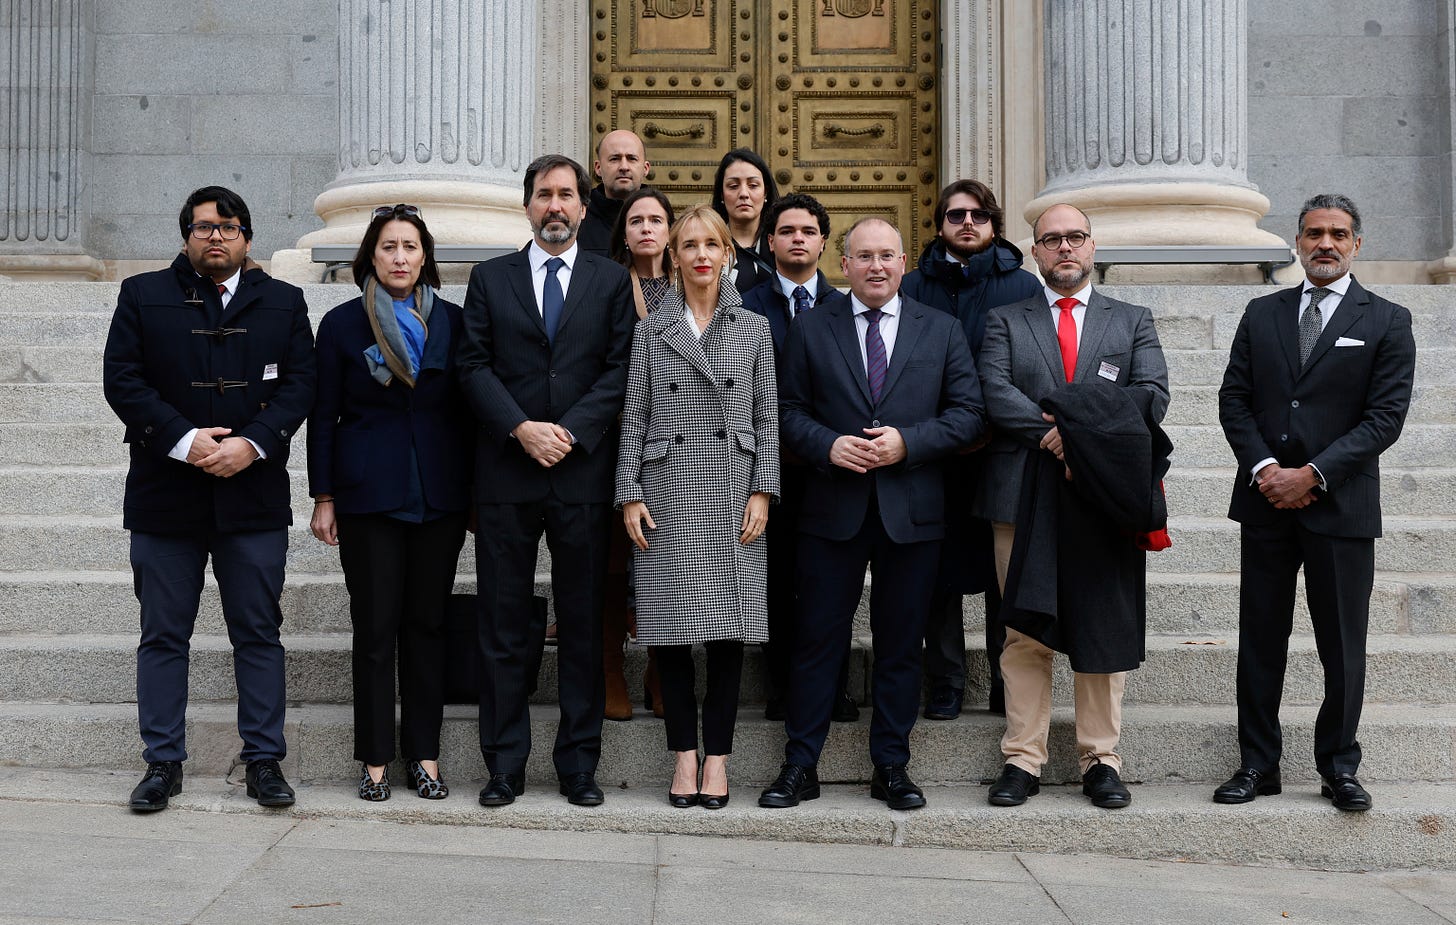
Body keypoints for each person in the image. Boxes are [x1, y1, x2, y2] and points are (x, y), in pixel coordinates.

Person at [759, 218, 984, 811]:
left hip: (911, 512)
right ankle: (800, 765)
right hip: (831, 508)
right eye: (864, 257)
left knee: (901, 644)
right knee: (817, 641)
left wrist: (909, 442)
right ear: (845, 264)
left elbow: (969, 414)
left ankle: (891, 764)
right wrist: (826, 445)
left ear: (904, 262)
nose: (876, 266)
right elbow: (785, 410)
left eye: (887, 256)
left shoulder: (941, 330)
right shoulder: (810, 329)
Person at [102, 186, 315, 812]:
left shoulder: (284, 301)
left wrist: (252, 444)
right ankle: (162, 761)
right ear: (186, 236)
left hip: (252, 497)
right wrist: (183, 439)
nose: (214, 236)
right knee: (163, 635)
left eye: (226, 227)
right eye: (202, 228)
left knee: (258, 632)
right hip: (165, 498)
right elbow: (123, 379)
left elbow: (301, 385)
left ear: (247, 236)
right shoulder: (143, 295)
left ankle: (264, 761)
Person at [1214, 194, 1416, 812]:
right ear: (1296, 242)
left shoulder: (1386, 319)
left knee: (1342, 644)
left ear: (1357, 244)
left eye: (1338, 234)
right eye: (1313, 233)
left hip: (1341, 507)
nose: (1324, 243)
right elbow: (1234, 400)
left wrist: (1315, 475)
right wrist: (1269, 469)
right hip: (1266, 501)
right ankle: (1257, 764)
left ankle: (1339, 766)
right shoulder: (1262, 312)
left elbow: (1384, 419)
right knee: (1261, 638)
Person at [975, 203, 1169, 810]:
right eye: (1051, 239)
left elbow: (1151, 395)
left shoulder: (1132, 320)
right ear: (1034, 252)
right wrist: (1054, 432)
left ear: (1093, 246)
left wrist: (1079, 432)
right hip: (1021, 493)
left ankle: (1100, 759)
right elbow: (994, 391)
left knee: (1100, 629)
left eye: (1075, 237)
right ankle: (1022, 758)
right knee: (1022, 630)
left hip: (1103, 497)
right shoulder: (1005, 320)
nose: (1065, 247)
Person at [457, 154, 636, 808]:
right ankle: (504, 764)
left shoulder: (611, 280)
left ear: (584, 209)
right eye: (544, 195)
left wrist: (570, 431)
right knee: (502, 626)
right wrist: (521, 427)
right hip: (507, 474)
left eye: (566, 195)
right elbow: (471, 365)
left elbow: (620, 368)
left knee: (585, 626)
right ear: (527, 205)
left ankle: (578, 766)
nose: (555, 205)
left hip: (583, 475)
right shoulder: (489, 278)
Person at [616, 204, 780, 810]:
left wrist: (763, 491)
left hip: (734, 492)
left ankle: (718, 759)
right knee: (669, 634)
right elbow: (632, 417)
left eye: (712, 244)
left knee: (728, 636)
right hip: (666, 491)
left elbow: (769, 418)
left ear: (728, 253)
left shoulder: (754, 329)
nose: (702, 254)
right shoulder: (651, 328)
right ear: (675, 256)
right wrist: (628, 493)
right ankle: (682, 756)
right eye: (689, 245)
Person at [307, 204, 472, 801]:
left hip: (439, 494)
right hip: (367, 495)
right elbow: (323, 416)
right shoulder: (343, 325)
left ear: (425, 255)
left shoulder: (454, 321)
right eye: (388, 247)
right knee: (374, 629)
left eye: (409, 246)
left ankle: (424, 757)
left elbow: (467, 410)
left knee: (427, 628)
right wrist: (323, 495)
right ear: (370, 257)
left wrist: (473, 493)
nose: (399, 257)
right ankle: (375, 760)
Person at [902, 179, 1041, 721]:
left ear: (993, 225)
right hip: (933, 453)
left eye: (978, 216)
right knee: (936, 572)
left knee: (1004, 572)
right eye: (956, 215)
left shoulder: (1023, 287)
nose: (967, 223)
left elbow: (1032, 364)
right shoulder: (911, 286)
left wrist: (993, 424)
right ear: (939, 224)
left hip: (1002, 451)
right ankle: (946, 680)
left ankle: (1009, 683)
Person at [741, 193, 860, 724]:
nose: (797, 239)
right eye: (786, 230)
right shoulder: (744, 304)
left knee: (828, 589)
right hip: (764, 472)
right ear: (770, 242)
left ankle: (831, 689)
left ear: (823, 243)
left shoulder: (845, 307)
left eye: (808, 231)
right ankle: (784, 687)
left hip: (828, 472)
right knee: (774, 581)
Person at [600, 185, 677, 720]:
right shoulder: (604, 283)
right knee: (608, 565)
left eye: (656, 219)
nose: (646, 227)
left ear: (670, 230)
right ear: (623, 233)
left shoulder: (691, 286)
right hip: (610, 442)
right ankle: (609, 671)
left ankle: (658, 666)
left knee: (662, 562)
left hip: (672, 450)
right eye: (636, 220)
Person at [710, 148, 778, 293]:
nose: (743, 194)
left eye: (753, 185)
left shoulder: (781, 244)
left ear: (765, 192)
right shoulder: (707, 246)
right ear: (721, 194)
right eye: (733, 186)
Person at [579, 130, 651, 256]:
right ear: (598, 168)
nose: (624, 167)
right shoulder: (578, 217)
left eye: (632, 158)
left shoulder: (663, 219)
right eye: (615, 159)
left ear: (645, 168)